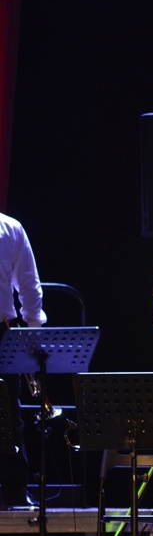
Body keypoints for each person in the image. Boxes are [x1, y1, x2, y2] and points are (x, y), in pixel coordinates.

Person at [0, 212, 46, 510]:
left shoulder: (10, 228)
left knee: (8, 414)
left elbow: (29, 283)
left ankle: (15, 490)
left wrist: (33, 333)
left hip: (1, 332)